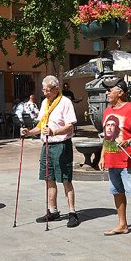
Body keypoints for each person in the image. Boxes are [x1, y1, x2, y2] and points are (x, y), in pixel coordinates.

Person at [20, 76, 80, 228]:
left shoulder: (65, 102)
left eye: (47, 90)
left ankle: (72, 212)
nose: (45, 92)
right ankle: (53, 211)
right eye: (43, 89)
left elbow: (70, 126)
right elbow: (41, 125)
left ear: (56, 89)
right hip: (47, 146)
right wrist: (28, 132)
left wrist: (55, 132)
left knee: (66, 179)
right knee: (49, 178)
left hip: (61, 144)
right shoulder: (44, 103)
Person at [98, 78, 131, 244]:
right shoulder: (107, 111)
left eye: (109, 90)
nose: (106, 92)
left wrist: (129, 142)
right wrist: (102, 156)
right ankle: (122, 224)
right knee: (117, 192)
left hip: (128, 161)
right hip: (112, 160)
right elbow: (108, 136)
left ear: (120, 92)